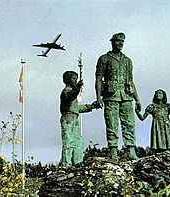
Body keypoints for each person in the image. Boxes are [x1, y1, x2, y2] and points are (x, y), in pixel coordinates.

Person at [95, 32, 141, 160]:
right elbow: (99, 78)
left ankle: (131, 149)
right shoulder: (104, 59)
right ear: (112, 42)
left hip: (126, 96)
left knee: (129, 123)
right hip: (111, 95)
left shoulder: (127, 60)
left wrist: (137, 99)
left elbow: (131, 81)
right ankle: (113, 150)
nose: (120, 43)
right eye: (118, 41)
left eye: (122, 41)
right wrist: (98, 96)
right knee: (112, 123)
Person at [60, 71, 99, 167]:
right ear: (67, 80)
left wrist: (91, 106)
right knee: (68, 142)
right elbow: (70, 96)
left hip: (75, 118)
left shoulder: (73, 92)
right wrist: (77, 87)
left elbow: (76, 108)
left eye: (76, 79)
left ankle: (77, 162)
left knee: (77, 142)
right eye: (73, 78)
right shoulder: (66, 91)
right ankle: (66, 164)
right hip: (68, 118)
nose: (75, 80)